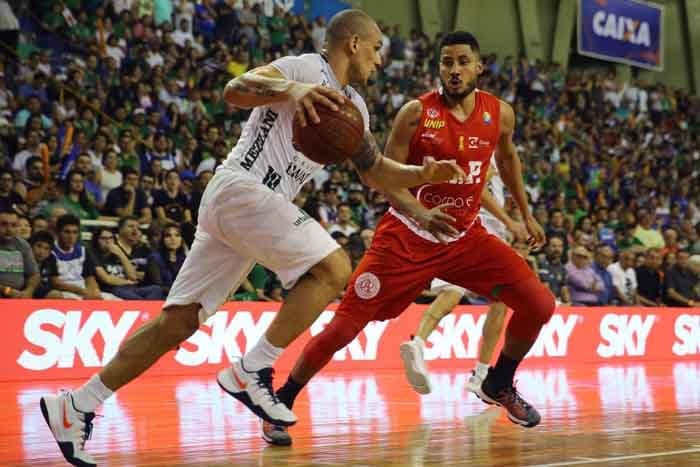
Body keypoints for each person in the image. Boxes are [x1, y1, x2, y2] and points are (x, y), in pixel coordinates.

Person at [39, 10, 464, 467]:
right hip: (242, 187)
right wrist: (292, 89)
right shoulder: (305, 68)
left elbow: (375, 169)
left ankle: (76, 405)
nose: (381, 60)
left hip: (250, 211)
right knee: (334, 268)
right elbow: (234, 90)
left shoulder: (354, 108)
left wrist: (421, 174)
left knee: (177, 323)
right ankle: (253, 368)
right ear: (354, 44)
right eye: (377, 48)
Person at [265, 31, 555, 446]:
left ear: (479, 66)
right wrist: (420, 211)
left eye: (462, 62)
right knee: (345, 326)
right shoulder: (416, 113)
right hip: (406, 237)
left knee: (539, 303)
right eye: (446, 62)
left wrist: (522, 217)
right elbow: (383, 178)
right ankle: (282, 397)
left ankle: (499, 382)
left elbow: (506, 158)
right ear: (438, 67)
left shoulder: (499, 114)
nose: (454, 70)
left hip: (465, 238)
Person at [398, 160, 529, 397]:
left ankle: (418, 341)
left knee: (454, 291)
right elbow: (477, 187)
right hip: (479, 228)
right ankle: (479, 375)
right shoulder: (486, 151)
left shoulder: (469, 147)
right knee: (499, 300)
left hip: (458, 221)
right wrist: (509, 221)